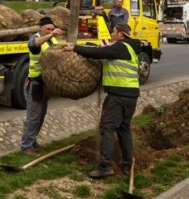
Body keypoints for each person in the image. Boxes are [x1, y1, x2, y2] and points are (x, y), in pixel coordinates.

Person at [63, 23, 141, 178]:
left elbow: (98, 52)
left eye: (113, 32)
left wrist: (75, 48)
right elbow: (104, 52)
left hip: (118, 96)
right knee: (124, 129)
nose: (112, 35)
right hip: (131, 96)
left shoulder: (120, 47)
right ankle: (127, 164)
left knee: (107, 128)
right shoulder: (131, 49)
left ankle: (105, 166)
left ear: (121, 34)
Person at [20, 17, 63, 155]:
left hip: (46, 84)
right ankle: (26, 146)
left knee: (41, 115)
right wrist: (51, 34)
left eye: (51, 29)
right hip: (36, 83)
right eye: (47, 29)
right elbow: (35, 44)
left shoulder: (52, 40)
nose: (50, 31)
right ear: (40, 28)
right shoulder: (35, 39)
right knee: (33, 117)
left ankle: (33, 142)